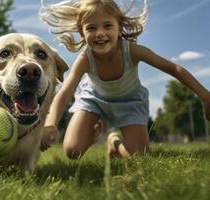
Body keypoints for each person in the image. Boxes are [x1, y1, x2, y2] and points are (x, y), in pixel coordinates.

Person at [39, 0, 210, 158]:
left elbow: (174, 69)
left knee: (138, 155)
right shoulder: (85, 59)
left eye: (107, 26)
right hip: (93, 100)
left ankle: (114, 144)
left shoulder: (133, 51)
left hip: (130, 102)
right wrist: (51, 123)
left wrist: (205, 96)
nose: (100, 33)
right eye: (91, 28)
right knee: (72, 151)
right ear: (82, 33)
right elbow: (64, 93)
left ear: (119, 28)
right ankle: (93, 132)